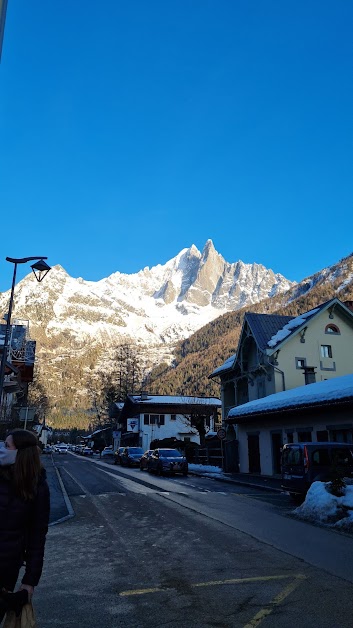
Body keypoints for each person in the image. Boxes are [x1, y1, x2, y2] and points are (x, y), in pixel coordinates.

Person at [0, 429, 50, 621]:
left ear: (20, 452)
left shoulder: (37, 486)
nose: (2, 450)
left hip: (5, 569)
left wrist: (30, 581)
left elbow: (37, 537)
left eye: (6, 446)